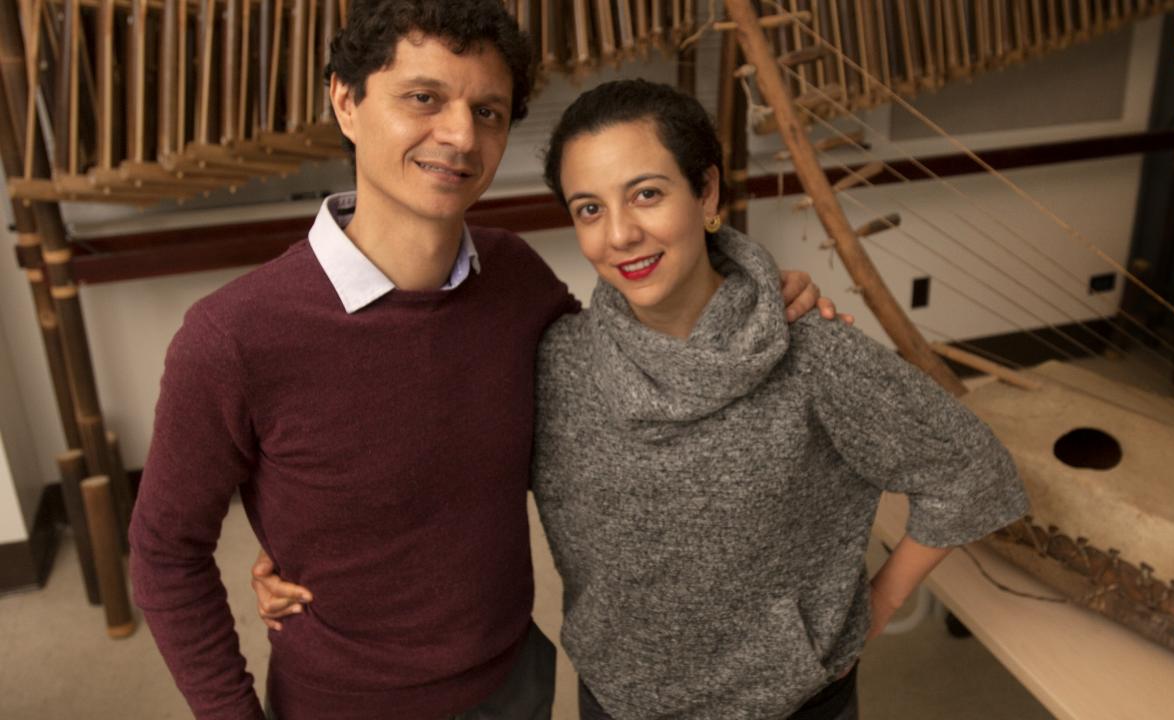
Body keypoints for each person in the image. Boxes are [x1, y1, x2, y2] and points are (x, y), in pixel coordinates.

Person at [129, 3, 837, 719]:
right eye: (424, 98)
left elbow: (630, 372)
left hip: (516, 682)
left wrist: (746, 293)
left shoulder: (516, 279)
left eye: (489, 111)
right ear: (345, 101)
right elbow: (165, 554)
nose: (461, 136)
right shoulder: (232, 337)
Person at [256, 79, 1030, 720]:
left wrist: (870, 611)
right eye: (590, 208)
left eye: (648, 193)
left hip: (795, 704)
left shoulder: (813, 351)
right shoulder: (557, 362)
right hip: (619, 701)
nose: (621, 233)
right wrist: (307, 542)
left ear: (709, 194)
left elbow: (967, 468)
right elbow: (443, 473)